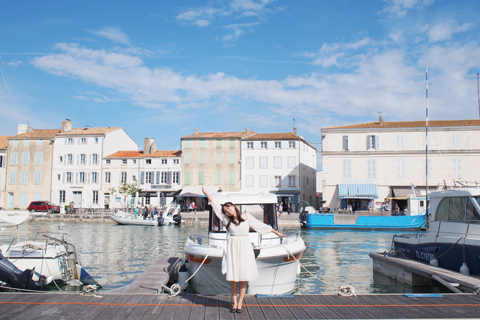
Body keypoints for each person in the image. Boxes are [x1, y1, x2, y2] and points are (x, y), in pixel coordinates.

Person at [202, 186, 284, 313]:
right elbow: (215, 205)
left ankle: (240, 303)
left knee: (243, 278)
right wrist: (207, 193)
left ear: (234, 206)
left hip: (244, 247)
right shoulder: (226, 219)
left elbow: (260, 226)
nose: (227, 210)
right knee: (233, 278)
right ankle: (234, 303)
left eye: (229, 207)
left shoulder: (246, 217)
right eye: (226, 210)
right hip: (233, 248)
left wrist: (276, 233)